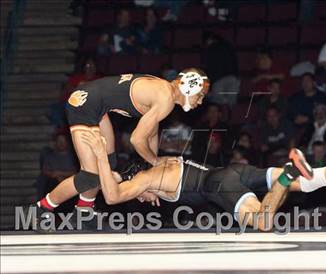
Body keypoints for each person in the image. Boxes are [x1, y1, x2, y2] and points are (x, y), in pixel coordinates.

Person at [77, 132, 326, 232]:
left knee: (262, 222)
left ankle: (288, 170)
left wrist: (101, 158)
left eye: (142, 195)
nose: (146, 199)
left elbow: (114, 194)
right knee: (309, 182)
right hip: (230, 171)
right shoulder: (161, 161)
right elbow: (143, 143)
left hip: (219, 186)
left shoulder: (146, 177)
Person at [31, 68, 210, 223]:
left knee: (108, 164)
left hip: (96, 105)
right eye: (200, 96)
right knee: (90, 176)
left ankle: (83, 212)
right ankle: (40, 209)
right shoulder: (166, 100)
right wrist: (155, 163)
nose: (200, 102)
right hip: (84, 105)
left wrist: (150, 174)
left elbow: (152, 134)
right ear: (189, 86)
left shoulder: (163, 92)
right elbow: (137, 139)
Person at [201, 32, 239, 107]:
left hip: (219, 80)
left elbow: (211, 69)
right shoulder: (228, 46)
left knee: (217, 103)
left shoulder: (211, 50)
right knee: (230, 104)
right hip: (232, 78)